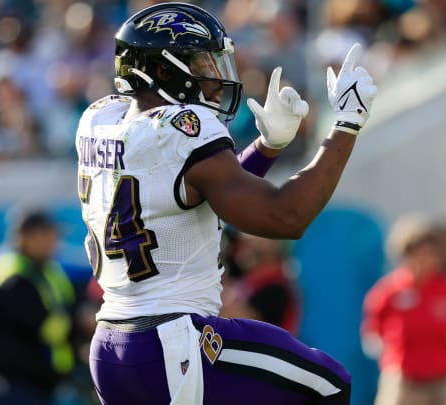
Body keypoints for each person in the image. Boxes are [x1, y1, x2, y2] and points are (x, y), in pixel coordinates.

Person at [76, 3, 377, 404]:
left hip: (112, 344)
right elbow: (286, 216)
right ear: (162, 70)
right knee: (328, 385)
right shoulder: (182, 131)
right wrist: (346, 125)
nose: (216, 79)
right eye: (202, 62)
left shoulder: (103, 119)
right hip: (171, 340)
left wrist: (267, 148)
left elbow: (195, 189)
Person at [0, 209, 77, 405]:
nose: (54, 241)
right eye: (48, 234)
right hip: (4, 383)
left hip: (29, 384)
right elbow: (45, 325)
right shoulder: (13, 274)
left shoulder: (44, 269)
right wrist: (81, 325)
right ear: (27, 236)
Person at [361, 213, 446, 405]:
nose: (427, 259)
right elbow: (371, 333)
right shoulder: (388, 291)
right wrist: (389, 352)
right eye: (420, 252)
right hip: (403, 380)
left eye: (432, 253)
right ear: (406, 253)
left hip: (444, 379)